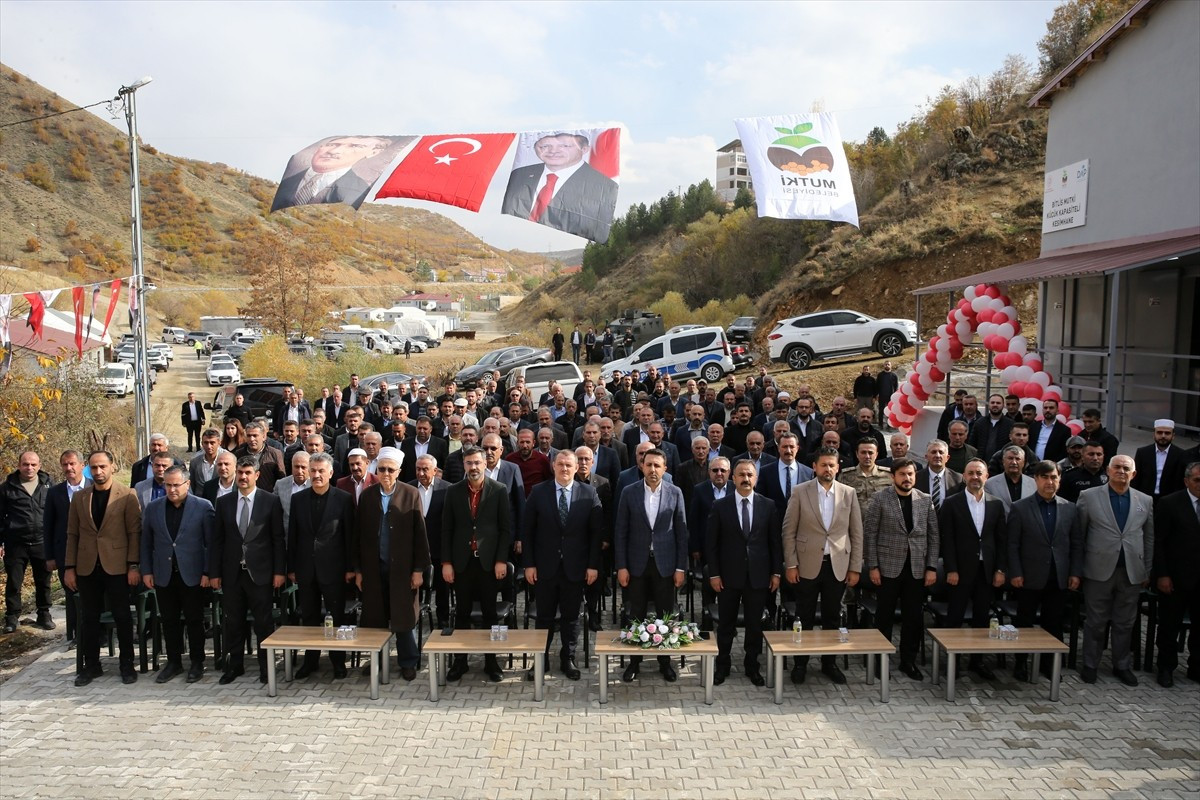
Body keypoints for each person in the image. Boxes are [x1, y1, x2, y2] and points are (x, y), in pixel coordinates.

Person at [1070, 454, 1154, 686]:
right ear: (1108, 470)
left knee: (1125, 622)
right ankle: (1090, 665)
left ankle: (1121, 665)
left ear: (1133, 474)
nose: (1121, 472)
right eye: (1116, 467)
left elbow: (1149, 538)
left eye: (1126, 468)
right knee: (1095, 621)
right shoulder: (1088, 497)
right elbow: (1080, 536)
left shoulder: (1144, 501)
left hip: (1131, 572)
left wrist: (1146, 570)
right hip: (1098, 570)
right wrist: (1078, 569)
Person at [782, 446, 863, 685]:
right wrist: (791, 564)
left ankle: (830, 663)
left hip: (837, 565)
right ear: (815, 467)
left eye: (832, 465)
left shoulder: (849, 493)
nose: (828, 469)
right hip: (806, 565)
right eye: (823, 465)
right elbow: (788, 531)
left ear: (838, 468)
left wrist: (855, 567)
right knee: (803, 616)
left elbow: (856, 533)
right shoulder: (799, 492)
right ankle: (800, 664)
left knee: (832, 617)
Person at [523, 450, 604, 680]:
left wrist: (592, 566)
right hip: (545, 567)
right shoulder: (539, 492)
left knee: (571, 616)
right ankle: (541, 659)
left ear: (577, 467)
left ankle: (568, 658)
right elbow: (527, 532)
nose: (565, 469)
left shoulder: (589, 493)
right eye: (561, 465)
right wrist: (529, 564)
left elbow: (595, 534)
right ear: (553, 466)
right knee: (544, 616)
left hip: (575, 567)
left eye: (569, 465)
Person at [65, 450, 142, 686]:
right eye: (94, 467)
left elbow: (133, 533)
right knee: (89, 618)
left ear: (112, 467)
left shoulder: (127, 495)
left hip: (117, 566)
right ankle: (92, 666)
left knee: (122, 617)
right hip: (88, 566)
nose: (98, 472)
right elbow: (72, 534)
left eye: (102, 467)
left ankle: (127, 665)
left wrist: (133, 565)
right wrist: (69, 567)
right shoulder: (80, 497)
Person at [209, 456, 286, 685]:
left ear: (256, 475)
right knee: (233, 622)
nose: (243, 477)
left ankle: (265, 668)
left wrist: (279, 571)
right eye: (240, 473)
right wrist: (214, 573)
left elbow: (277, 539)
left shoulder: (270, 501)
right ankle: (235, 666)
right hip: (233, 574)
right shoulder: (224, 503)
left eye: (247, 473)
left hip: (260, 574)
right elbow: (217, 541)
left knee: (263, 623)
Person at [614, 448, 689, 683]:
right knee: (635, 615)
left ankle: (664, 662)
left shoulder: (675, 493)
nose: (653, 470)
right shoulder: (629, 492)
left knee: (665, 616)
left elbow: (681, 533)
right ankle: (634, 662)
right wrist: (622, 566)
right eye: (649, 465)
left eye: (658, 465)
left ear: (665, 468)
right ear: (642, 466)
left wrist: (680, 568)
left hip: (665, 566)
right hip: (636, 565)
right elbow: (621, 532)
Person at [355, 448, 429, 682]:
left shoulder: (410, 494)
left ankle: (408, 661)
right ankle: (376, 659)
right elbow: (358, 537)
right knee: (374, 616)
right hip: (373, 568)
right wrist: (358, 570)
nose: (385, 473)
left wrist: (418, 569)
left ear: (398, 471)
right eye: (381, 469)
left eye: (390, 469)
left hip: (403, 569)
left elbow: (420, 534)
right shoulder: (367, 496)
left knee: (404, 617)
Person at [863, 458, 939, 680]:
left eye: (911, 474)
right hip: (888, 569)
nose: (907, 478)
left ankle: (908, 660)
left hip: (916, 570)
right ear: (893, 477)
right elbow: (870, 535)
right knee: (884, 617)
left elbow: (934, 537)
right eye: (903, 474)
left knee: (913, 618)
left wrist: (932, 567)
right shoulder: (880, 499)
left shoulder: (925, 500)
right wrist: (873, 566)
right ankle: (880, 660)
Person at [706, 460, 781, 686]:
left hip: (758, 576)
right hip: (728, 576)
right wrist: (714, 574)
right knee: (726, 624)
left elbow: (774, 542)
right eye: (741, 475)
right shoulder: (720, 506)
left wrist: (776, 573)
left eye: (750, 474)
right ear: (733, 478)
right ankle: (722, 665)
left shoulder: (768, 505)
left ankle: (752, 666)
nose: (745, 479)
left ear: (756, 478)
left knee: (754, 625)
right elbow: (712, 544)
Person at [443, 446, 512, 683]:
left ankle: (491, 663)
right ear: (464, 465)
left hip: (489, 564)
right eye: (469, 463)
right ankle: (460, 662)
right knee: (461, 614)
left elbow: (505, 529)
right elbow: (447, 530)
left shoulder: (499, 490)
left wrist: (501, 559)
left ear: (485, 464)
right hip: (462, 564)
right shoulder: (453, 492)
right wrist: (446, 563)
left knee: (490, 615)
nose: (473, 467)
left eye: (477, 463)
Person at [140, 466, 214, 684]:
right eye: (168, 485)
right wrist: (146, 571)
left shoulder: (202, 507)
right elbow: (146, 543)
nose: (171, 489)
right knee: (169, 620)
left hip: (192, 574)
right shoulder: (154, 508)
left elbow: (211, 544)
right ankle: (173, 662)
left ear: (187, 484)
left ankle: (197, 662)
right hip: (164, 574)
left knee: (194, 619)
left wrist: (207, 572)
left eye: (176, 485)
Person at [1007, 460, 1077, 681]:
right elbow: (1012, 544)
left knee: (1053, 623)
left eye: (1054, 477)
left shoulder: (1070, 508)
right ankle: (1020, 664)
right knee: (1024, 621)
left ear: (1059, 479)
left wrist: (1075, 573)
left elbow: (1076, 544)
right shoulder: (1020, 507)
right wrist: (1015, 572)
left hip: (1058, 577)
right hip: (1028, 576)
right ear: (1036, 479)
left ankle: (1049, 665)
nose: (1049, 482)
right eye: (1045, 477)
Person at [938, 458, 1007, 679]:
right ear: (964, 476)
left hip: (986, 572)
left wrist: (1000, 570)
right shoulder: (952, 503)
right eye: (971, 473)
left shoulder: (996, 504)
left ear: (986, 477)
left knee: (981, 618)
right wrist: (951, 569)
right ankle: (952, 663)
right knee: (955, 617)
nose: (975, 477)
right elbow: (946, 539)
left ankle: (977, 661)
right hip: (960, 571)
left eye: (979, 473)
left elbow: (1001, 541)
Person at [501, 132, 618, 242]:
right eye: (545, 146)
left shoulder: (603, 186)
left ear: (584, 149)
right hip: (518, 237)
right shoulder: (520, 174)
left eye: (565, 146)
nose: (553, 151)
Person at [1152, 462, 1200, 687]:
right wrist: (1162, 574)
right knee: (1169, 626)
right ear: (1187, 481)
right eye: (1197, 480)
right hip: (1175, 578)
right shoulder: (1170, 503)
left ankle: (1196, 667)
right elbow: (1159, 542)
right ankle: (1166, 668)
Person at [272, 135, 397, 211]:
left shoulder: (357, 190)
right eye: (331, 144)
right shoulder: (288, 180)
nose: (334, 151)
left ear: (373, 152)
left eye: (355, 146)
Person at [2, 450, 54, 633]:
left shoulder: (49, 485)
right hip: (16, 543)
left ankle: (44, 614)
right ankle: (12, 617)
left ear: (39, 466)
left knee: (44, 581)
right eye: (25, 464)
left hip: (42, 541)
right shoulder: (7, 487)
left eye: (33, 464)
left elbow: (54, 514)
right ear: (19, 465)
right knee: (14, 582)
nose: (29, 467)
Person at [42, 450, 90, 644]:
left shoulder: (95, 487)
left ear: (81, 465)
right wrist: (50, 556)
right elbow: (48, 525)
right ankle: (75, 634)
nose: (68, 468)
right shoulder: (55, 492)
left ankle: (99, 633)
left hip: (91, 552)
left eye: (72, 464)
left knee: (92, 593)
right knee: (71, 593)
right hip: (64, 552)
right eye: (64, 465)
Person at [411, 454, 452, 629]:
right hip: (416, 548)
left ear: (435, 471)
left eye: (425, 469)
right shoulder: (408, 488)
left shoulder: (448, 489)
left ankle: (443, 619)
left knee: (442, 588)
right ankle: (414, 618)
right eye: (418, 469)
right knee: (415, 586)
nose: (421, 473)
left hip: (439, 546)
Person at [1132, 419, 1188, 501]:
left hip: (1170, 500)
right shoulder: (1143, 453)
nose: (1163, 436)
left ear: (1173, 436)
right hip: (1144, 498)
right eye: (1159, 432)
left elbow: (1180, 483)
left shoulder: (1181, 455)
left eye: (1167, 433)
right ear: (1153, 434)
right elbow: (1136, 478)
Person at [839, 440, 892, 508]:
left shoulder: (888, 475)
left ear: (876, 454)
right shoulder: (845, 476)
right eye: (863, 452)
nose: (867, 456)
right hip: (855, 517)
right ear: (857, 454)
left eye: (870, 453)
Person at [985, 445, 1036, 513]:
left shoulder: (1034, 484)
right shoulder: (990, 484)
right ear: (1003, 461)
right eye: (1010, 458)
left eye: (1017, 459)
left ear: (1023, 463)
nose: (1014, 462)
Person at [914, 440, 962, 511]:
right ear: (926, 457)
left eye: (941, 452)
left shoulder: (958, 480)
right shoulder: (916, 478)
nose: (937, 455)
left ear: (947, 458)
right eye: (933, 452)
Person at [968, 394, 1015, 464]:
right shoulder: (979, 423)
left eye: (998, 403)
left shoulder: (1010, 424)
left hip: (1002, 464)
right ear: (988, 404)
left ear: (1003, 405)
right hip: (981, 463)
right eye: (992, 402)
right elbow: (971, 444)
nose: (995, 405)